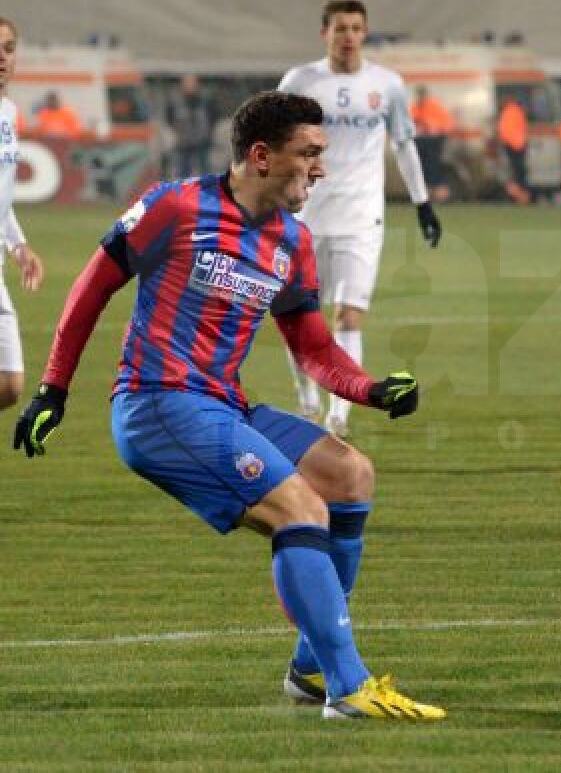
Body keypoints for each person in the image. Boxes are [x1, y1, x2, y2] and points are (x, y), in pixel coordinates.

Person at [11, 90, 446, 722]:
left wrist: (369, 390)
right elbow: (92, 286)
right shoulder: (177, 205)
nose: (322, 168)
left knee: (350, 476)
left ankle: (309, 667)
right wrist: (54, 387)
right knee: (300, 506)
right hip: (157, 404)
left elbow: (314, 346)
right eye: (311, 154)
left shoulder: (292, 241)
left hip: (223, 405)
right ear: (263, 156)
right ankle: (347, 687)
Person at [279, 0, 443, 438]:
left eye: (355, 28)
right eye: (340, 28)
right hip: (304, 215)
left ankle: (338, 415)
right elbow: (272, 139)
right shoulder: (300, 81)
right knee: (297, 314)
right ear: (324, 34)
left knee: (348, 316)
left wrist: (422, 203)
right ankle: (306, 399)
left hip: (361, 218)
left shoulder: (387, 85)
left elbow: (405, 145)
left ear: (365, 33)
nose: (348, 36)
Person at [0, 17, 45, 411]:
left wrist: (19, 245)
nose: (2, 57)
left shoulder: (10, 113)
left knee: (9, 386)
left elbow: (3, 193)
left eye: (8, 48)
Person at [164, 73, 217, 178]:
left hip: (202, 140)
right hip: (183, 141)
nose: (190, 87)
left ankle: (207, 191)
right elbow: (169, 118)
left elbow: (213, 116)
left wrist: (208, 132)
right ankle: (183, 192)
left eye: (192, 83)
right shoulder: (175, 101)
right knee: (182, 170)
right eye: (187, 83)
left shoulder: (205, 100)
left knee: (204, 169)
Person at [410, 85, 454, 203]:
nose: (420, 97)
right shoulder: (415, 107)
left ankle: (438, 195)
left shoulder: (434, 106)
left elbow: (446, 125)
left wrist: (429, 126)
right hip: (420, 140)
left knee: (434, 167)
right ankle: (428, 195)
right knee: (423, 168)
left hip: (435, 141)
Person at [497, 96, 531, 204]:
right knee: (520, 173)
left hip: (511, 145)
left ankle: (519, 197)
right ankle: (522, 196)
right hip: (519, 145)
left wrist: (504, 141)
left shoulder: (507, 112)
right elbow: (523, 128)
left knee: (514, 173)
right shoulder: (518, 112)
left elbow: (503, 130)